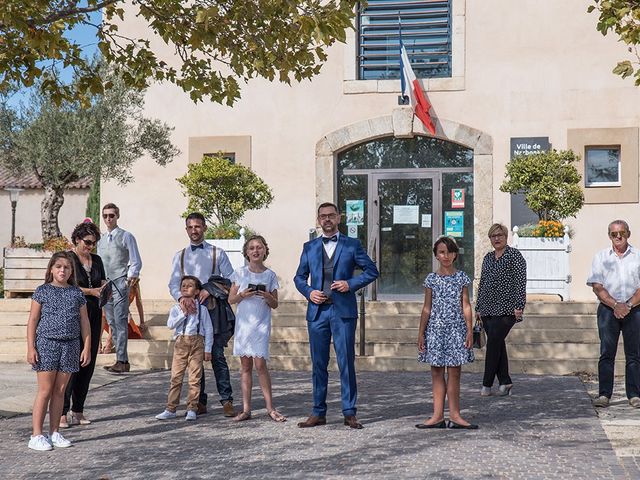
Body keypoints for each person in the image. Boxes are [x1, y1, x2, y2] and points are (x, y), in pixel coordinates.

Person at [294, 202, 379, 429]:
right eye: (323, 216)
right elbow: (299, 278)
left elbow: (372, 271)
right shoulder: (309, 247)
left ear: (339, 218)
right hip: (318, 312)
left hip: (343, 312)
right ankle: (318, 412)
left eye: (331, 215)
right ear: (319, 220)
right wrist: (309, 292)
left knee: (346, 362)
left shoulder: (352, 245)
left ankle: (349, 412)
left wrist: (350, 283)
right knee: (318, 364)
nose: (327, 219)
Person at [168, 212, 235, 417]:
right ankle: (199, 401)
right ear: (186, 229)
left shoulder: (218, 253)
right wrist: (181, 298)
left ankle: (227, 400)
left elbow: (231, 278)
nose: (194, 230)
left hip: (212, 310)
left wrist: (210, 289)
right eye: (190, 227)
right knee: (194, 360)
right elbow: (172, 283)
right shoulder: (179, 256)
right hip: (189, 314)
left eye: (198, 226)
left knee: (216, 355)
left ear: (204, 228)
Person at [26, 252, 91, 451]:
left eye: (67, 267)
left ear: (72, 271)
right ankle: (36, 434)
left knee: (60, 391)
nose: (62, 270)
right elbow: (33, 320)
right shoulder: (42, 291)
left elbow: (84, 321)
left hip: (70, 345)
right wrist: (31, 347)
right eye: (59, 267)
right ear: (51, 269)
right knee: (45, 390)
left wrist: (87, 346)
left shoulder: (77, 293)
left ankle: (54, 432)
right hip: (47, 344)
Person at [416, 237, 476, 429]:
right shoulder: (431, 279)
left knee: (455, 372)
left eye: (449, 252)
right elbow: (427, 307)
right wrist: (421, 333)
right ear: (436, 255)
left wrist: (469, 329)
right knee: (436, 371)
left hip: (456, 329)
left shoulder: (462, 278)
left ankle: (456, 415)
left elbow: (465, 305)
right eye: (442, 252)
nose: (446, 256)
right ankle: (437, 415)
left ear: (455, 254)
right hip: (435, 329)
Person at [228, 235, 285, 422]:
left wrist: (267, 295)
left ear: (265, 251)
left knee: (260, 365)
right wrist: (243, 294)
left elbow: (275, 304)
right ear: (246, 252)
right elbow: (231, 300)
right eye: (251, 248)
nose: (255, 251)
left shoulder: (270, 275)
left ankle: (270, 407)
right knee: (245, 365)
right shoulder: (239, 273)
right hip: (244, 325)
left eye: (259, 247)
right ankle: (246, 409)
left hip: (261, 324)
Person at [587, 220, 640, 408]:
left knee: (634, 354)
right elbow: (597, 286)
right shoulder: (601, 257)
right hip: (608, 311)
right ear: (609, 235)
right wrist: (616, 305)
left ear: (628, 233)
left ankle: (634, 394)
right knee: (606, 353)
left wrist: (627, 305)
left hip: (634, 310)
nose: (618, 237)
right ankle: (604, 395)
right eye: (614, 234)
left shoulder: (638, 256)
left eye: (622, 233)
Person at [61, 222, 106, 428]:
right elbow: (68, 286)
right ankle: (61, 412)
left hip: (94, 313)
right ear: (77, 239)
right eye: (87, 242)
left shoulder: (96, 260)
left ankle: (78, 409)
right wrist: (91, 291)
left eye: (93, 243)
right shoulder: (67, 259)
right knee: (70, 363)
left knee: (88, 362)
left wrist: (105, 288)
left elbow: (102, 282)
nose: (90, 247)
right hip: (73, 314)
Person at [475, 223, 527, 397]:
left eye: (500, 235)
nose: (496, 239)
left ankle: (486, 384)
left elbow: (520, 283)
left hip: (507, 310)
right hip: (488, 309)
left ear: (506, 237)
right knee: (498, 344)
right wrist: (478, 307)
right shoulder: (488, 258)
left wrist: (519, 306)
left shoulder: (515, 256)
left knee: (494, 343)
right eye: (493, 236)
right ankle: (505, 382)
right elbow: (482, 283)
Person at [156, 276, 213, 421]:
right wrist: (184, 313)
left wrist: (208, 349)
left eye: (190, 285)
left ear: (197, 291)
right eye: (183, 285)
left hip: (197, 342)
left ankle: (192, 408)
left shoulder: (203, 309)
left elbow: (209, 329)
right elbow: (170, 325)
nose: (185, 287)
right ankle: (171, 408)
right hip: (181, 342)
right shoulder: (176, 308)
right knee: (176, 377)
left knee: (195, 378)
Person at [97, 202, 142, 373]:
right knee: (111, 321)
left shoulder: (126, 236)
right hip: (105, 284)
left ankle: (123, 360)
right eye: (105, 216)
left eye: (111, 215)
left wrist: (130, 277)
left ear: (117, 216)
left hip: (120, 281)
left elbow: (136, 259)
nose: (108, 219)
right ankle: (120, 359)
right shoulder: (100, 239)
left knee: (121, 319)